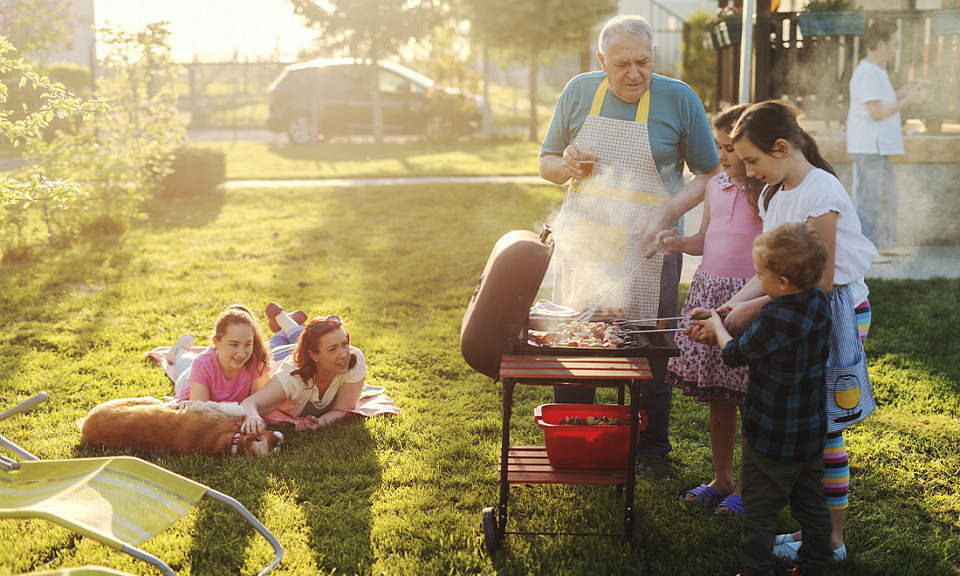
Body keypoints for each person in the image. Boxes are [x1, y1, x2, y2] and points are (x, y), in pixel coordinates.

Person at [538, 14, 722, 478]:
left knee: (650, 344)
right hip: (585, 243)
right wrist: (566, 165)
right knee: (576, 338)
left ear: (653, 56)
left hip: (650, 245)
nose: (634, 73)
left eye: (643, 62)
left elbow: (709, 174)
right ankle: (577, 433)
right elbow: (546, 161)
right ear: (602, 61)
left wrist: (666, 212)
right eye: (622, 64)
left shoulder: (679, 99)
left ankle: (651, 447)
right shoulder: (579, 91)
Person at [721, 100, 879, 562]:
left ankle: (831, 539)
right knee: (804, 414)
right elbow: (774, 271)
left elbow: (820, 283)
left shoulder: (820, 190)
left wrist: (752, 311)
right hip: (793, 308)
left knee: (825, 425)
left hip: (836, 311)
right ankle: (814, 532)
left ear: (782, 146)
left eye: (752, 160)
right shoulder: (775, 193)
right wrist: (734, 303)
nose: (748, 171)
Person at [693, 222, 834, 576]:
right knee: (811, 503)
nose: (757, 280)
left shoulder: (773, 318)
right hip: (810, 431)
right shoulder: (818, 301)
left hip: (770, 436)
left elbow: (735, 354)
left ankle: (755, 569)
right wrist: (725, 316)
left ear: (782, 283)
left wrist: (717, 325)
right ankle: (817, 565)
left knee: (758, 508)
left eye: (760, 274)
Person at [659, 103, 762, 516]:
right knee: (720, 394)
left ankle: (746, 487)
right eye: (719, 147)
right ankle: (721, 478)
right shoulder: (714, 185)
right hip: (709, 293)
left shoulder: (765, 191)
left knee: (751, 395)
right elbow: (705, 237)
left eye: (730, 148)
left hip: (748, 300)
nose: (722, 156)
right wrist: (679, 243)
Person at [847, 19, 926, 259]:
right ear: (881, 44)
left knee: (888, 195)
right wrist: (908, 101)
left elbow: (883, 103)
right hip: (869, 146)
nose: (896, 47)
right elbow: (876, 112)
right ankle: (867, 250)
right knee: (870, 201)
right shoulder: (867, 73)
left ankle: (885, 244)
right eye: (894, 43)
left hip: (878, 147)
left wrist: (904, 91)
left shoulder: (877, 71)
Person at [239, 314, 366, 435]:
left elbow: (341, 409)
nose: (344, 354)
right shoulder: (292, 377)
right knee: (274, 344)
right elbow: (249, 403)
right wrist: (253, 417)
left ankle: (286, 320)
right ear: (313, 355)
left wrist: (320, 423)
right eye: (333, 349)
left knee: (303, 337)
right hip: (278, 356)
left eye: (345, 344)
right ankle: (281, 319)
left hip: (300, 350)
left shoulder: (354, 360)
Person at [166, 304, 272, 403]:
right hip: (189, 384)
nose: (242, 354)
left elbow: (256, 404)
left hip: (209, 371)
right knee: (186, 364)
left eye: (248, 344)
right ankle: (179, 350)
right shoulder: (201, 365)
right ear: (216, 342)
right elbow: (201, 412)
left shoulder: (257, 361)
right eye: (234, 345)